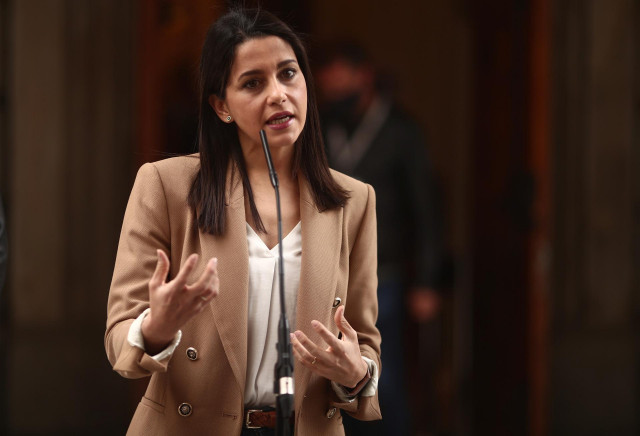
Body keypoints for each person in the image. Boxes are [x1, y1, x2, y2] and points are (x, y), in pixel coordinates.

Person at [105, 8, 381, 436]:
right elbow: (119, 336)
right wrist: (156, 327)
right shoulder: (166, 186)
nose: (278, 94)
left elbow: (364, 343)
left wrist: (355, 373)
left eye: (288, 74)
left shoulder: (354, 201)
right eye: (253, 83)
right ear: (221, 106)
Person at [316, 43, 445, 435]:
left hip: (383, 274)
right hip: (328, 272)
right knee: (331, 378)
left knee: (381, 378)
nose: (337, 94)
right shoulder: (321, 128)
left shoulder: (401, 131)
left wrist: (427, 279)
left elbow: (426, 208)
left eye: (343, 83)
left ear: (364, 77)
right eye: (329, 88)